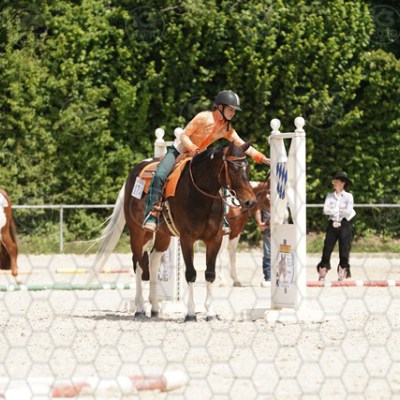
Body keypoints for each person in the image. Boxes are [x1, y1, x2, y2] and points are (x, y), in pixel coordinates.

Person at [143, 90, 270, 233]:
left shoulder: (226, 128)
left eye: (234, 111)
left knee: (220, 175)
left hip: (199, 156)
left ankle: (222, 217)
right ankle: (151, 215)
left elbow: (240, 143)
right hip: (178, 151)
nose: (233, 113)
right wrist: (193, 149)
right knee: (160, 174)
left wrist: (261, 157)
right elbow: (184, 136)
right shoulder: (203, 117)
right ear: (220, 107)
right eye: (231, 110)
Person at [317, 172, 356, 282]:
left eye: (337, 181)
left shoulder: (349, 196)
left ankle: (342, 270)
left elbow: (349, 211)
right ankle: (323, 269)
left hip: (344, 224)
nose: (334, 183)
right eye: (334, 181)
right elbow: (325, 210)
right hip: (332, 223)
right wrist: (339, 210)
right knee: (327, 248)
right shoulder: (330, 196)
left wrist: (334, 210)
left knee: (344, 249)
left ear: (343, 183)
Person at [255, 208, 271, 287]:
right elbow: (258, 208)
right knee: (268, 252)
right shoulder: (264, 198)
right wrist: (259, 223)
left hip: (281, 225)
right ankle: (268, 278)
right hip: (266, 227)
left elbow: (285, 212)